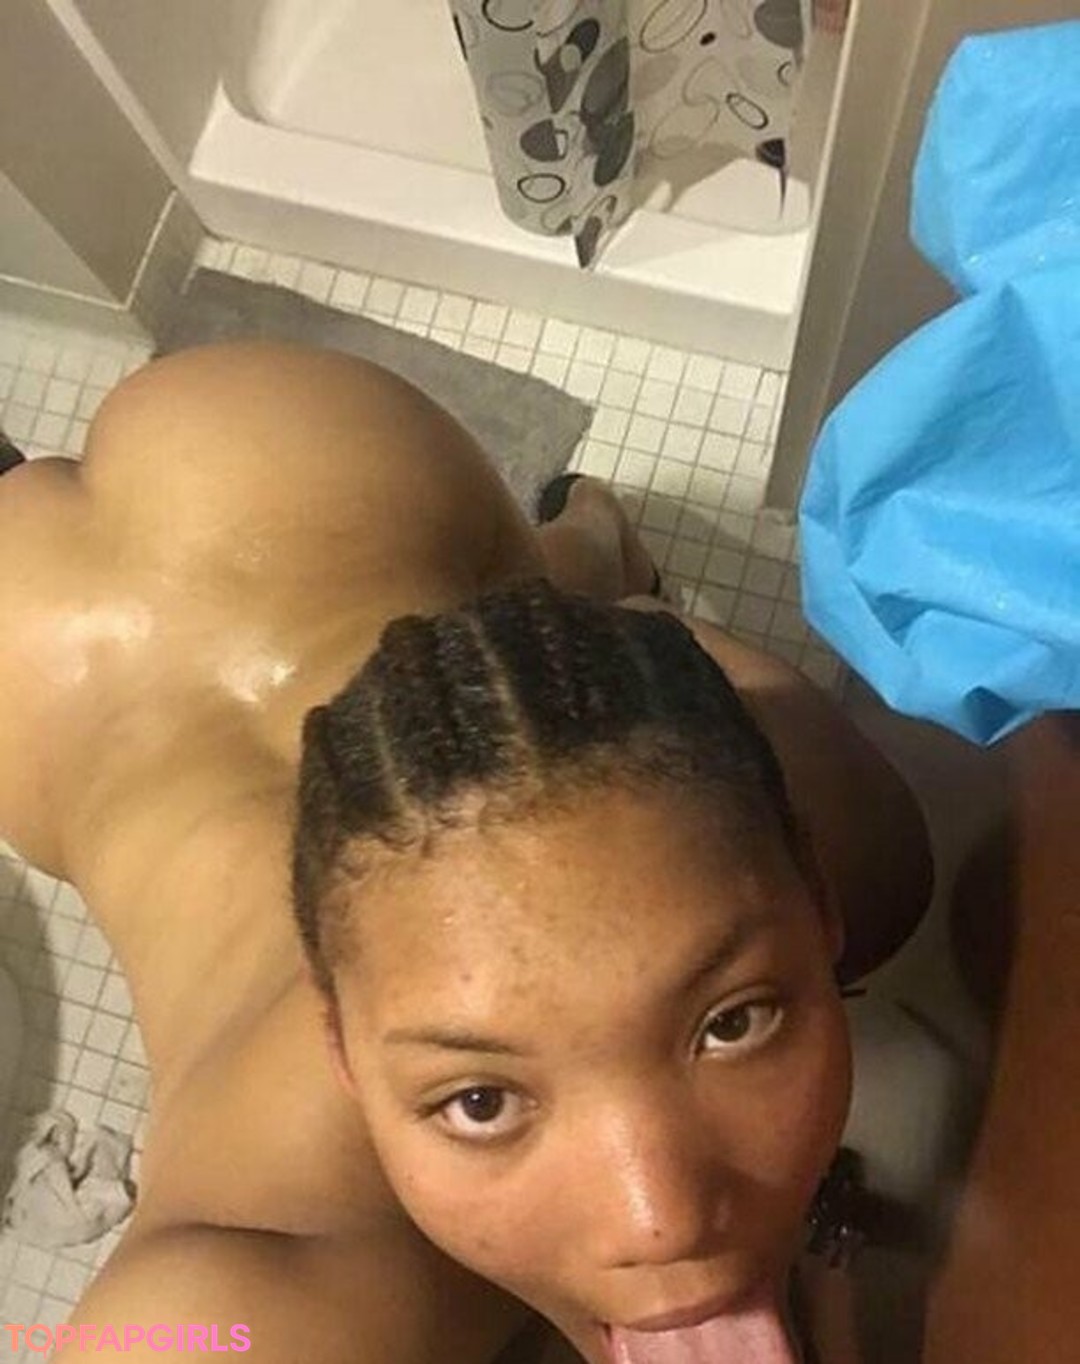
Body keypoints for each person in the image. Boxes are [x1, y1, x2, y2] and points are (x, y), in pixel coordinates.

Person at [0, 341, 931, 1364]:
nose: (658, 1220)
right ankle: (588, 555)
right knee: (563, 636)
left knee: (585, 635)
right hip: (69, 661)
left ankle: (594, 548)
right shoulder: (245, 1284)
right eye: (479, 1101)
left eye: (731, 1023)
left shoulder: (864, 856)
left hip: (273, 478)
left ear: (816, 902)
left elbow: (676, 685)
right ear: (342, 1052)